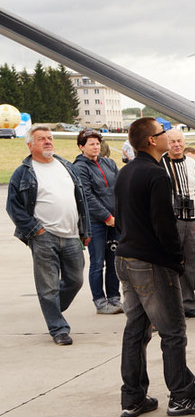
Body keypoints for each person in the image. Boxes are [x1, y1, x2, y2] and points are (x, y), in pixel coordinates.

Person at [114, 117, 195, 417]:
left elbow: (120, 217)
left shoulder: (125, 172)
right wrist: (176, 261)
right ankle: (182, 396)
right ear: (152, 140)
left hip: (126, 258)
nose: (168, 137)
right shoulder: (157, 175)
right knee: (173, 332)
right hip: (151, 262)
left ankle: (133, 398)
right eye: (162, 133)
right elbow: (165, 225)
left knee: (136, 330)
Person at [6, 124, 90, 346]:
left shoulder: (66, 166)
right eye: (42, 138)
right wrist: (37, 230)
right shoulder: (23, 172)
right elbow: (13, 207)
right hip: (44, 237)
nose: (48, 141)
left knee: (75, 280)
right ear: (30, 145)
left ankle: (52, 308)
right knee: (48, 287)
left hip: (72, 235)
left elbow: (80, 201)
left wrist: (84, 230)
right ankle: (58, 328)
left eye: (50, 137)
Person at [73, 129, 122, 314]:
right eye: (91, 144)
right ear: (81, 147)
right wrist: (106, 217)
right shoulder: (79, 167)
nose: (95, 147)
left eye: (97, 143)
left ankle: (114, 298)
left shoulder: (108, 163)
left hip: (115, 221)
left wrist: (119, 215)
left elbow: (119, 187)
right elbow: (87, 196)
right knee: (97, 263)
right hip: (96, 223)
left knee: (114, 261)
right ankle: (100, 301)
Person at [161, 129, 195, 318]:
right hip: (170, 219)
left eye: (179, 141)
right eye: (172, 141)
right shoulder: (161, 163)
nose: (176, 145)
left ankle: (188, 302)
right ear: (166, 143)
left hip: (191, 217)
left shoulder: (191, 162)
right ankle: (171, 304)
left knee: (190, 262)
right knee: (171, 261)